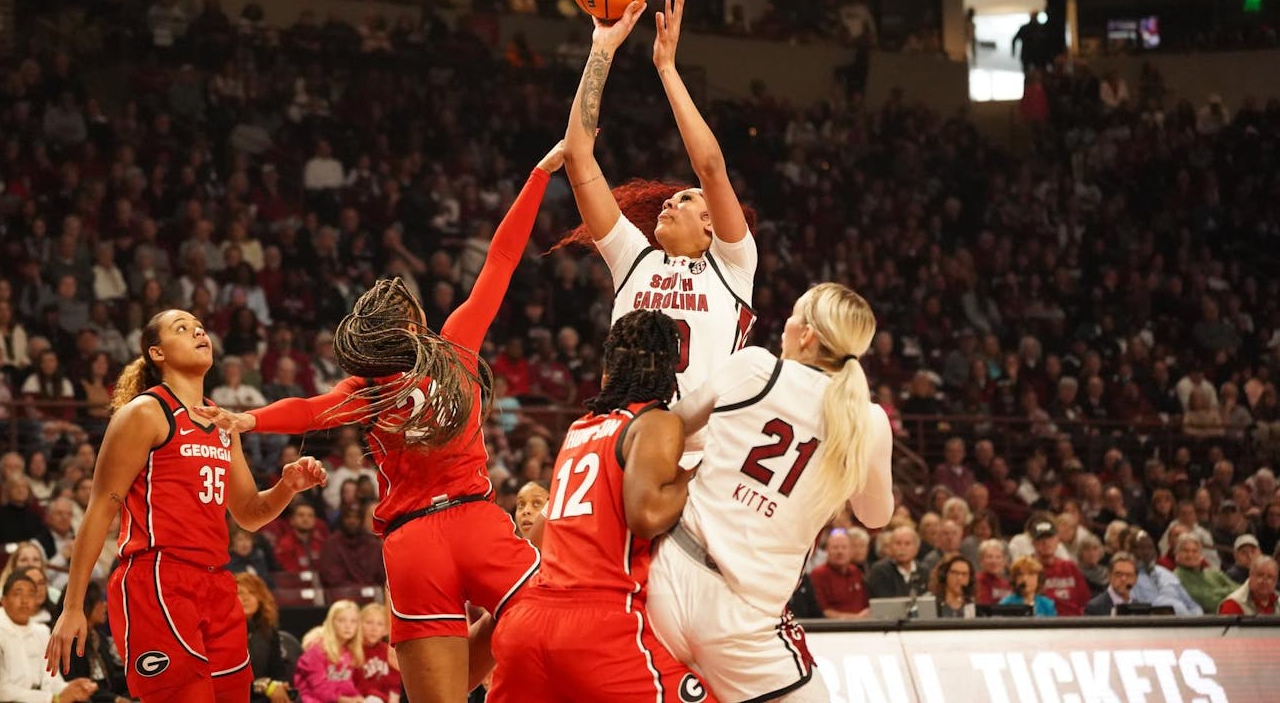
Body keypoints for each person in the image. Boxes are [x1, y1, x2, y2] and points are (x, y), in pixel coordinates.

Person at [202, 142, 567, 703]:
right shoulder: (455, 349)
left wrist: (247, 419)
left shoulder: (366, 392)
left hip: (412, 540)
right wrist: (539, 174)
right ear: (416, 325)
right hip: (472, 519)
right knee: (550, 606)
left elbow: (307, 409)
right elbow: (500, 259)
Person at [46, 309, 327, 703]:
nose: (198, 332)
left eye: (200, 327)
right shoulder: (146, 412)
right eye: (182, 328)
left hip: (216, 580)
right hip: (157, 576)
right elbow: (99, 510)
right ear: (157, 352)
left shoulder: (224, 423)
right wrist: (72, 606)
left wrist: (286, 487)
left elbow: (248, 513)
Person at [647, 283, 894, 702]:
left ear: (808, 335)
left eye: (794, 316)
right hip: (744, 619)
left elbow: (671, 427)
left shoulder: (753, 367)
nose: (786, 326)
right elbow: (875, 517)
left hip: (668, 580)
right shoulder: (867, 420)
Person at [554, 0, 757, 464]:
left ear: (711, 223)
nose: (670, 199)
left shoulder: (733, 264)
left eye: (686, 198)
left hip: (703, 454)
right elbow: (579, 155)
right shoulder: (633, 258)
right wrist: (601, 49)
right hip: (625, 445)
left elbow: (709, 166)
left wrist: (666, 67)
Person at [490, 311, 706, 703]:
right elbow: (648, 516)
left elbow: (540, 535)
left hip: (528, 621)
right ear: (665, 365)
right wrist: (698, 475)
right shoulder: (654, 421)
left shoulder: (578, 429)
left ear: (610, 366)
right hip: (599, 624)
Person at [0, 569, 98, 703]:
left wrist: (71, 689)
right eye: (17, 593)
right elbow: (0, 691)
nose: (25, 600)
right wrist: (53, 699)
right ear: (3, 600)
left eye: (31, 594)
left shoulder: (42, 631)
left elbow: (51, 680)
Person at [235, 573, 301, 703]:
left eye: (252, 593)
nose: (246, 598)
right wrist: (265, 686)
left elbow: (277, 673)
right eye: (241, 593)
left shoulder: (268, 633)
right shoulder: (220, 633)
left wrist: (279, 685)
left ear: (261, 599)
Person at [63, 582, 130, 702]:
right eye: (100, 601)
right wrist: (114, 699)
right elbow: (74, 684)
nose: (105, 605)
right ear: (86, 605)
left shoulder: (99, 636)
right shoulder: (69, 641)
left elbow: (111, 678)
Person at [293, 600, 364, 703]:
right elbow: (318, 689)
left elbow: (346, 685)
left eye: (353, 621)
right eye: (341, 620)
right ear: (331, 622)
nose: (348, 626)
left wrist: (357, 697)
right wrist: (346, 700)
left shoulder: (349, 650)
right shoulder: (316, 650)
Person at [810, 528, 869, 619]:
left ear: (850, 550)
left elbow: (866, 604)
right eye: (835, 547)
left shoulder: (855, 572)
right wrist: (855, 618)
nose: (840, 551)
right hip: (835, 628)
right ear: (827, 551)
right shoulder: (818, 574)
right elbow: (824, 611)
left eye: (844, 547)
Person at [356, 603, 401, 703]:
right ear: (359, 624)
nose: (374, 629)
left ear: (386, 630)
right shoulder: (353, 649)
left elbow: (395, 687)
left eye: (380, 624)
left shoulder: (389, 651)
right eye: (369, 622)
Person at [867, 525, 927, 600]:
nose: (902, 548)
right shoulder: (880, 571)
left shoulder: (924, 571)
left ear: (916, 548)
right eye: (898, 543)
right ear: (891, 547)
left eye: (907, 544)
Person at [1085, 552, 1139, 616]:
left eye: (1128, 575)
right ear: (1109, 576)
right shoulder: (1094, 607)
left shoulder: (1138, 607)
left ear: (1135, 579)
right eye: (1118, 574)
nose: (1123, 579)